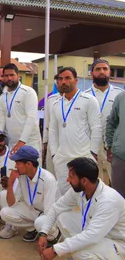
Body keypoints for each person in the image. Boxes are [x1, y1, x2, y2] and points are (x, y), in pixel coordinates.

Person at [37, 157, 125, 260]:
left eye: (71, 176)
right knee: (63, 216)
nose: (67, 180)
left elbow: (92, 236)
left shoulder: (109, 201)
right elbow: (56, 208)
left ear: (84, 180)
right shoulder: (79, 190)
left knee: (80, 253)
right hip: (98, 235)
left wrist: (55, 250)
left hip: (118, 244)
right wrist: (43, 233)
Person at [49, 67, 101, 195]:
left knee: (84, 195)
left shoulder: (88, 100)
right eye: (60, 79)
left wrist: (93, 153)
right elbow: (53, 131)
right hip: (62, 159)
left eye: (67, 78)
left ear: (76, 80)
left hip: (83, 156)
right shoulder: (56, 104)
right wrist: (54, 155)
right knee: (64, 194)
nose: (63, 82)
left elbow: (96, 127)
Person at [0, 146, 61, 242]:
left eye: (18, 163)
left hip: (49, 214)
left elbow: (49, 212)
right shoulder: (22, 176)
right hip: (34, 211)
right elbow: (11, 203)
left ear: (28, 164)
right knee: (4, 212)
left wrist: (43, 229)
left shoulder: (48, 179)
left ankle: (55, 234)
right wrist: (10, 183)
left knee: (40, 222)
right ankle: (33, 229)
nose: (15, 166)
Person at [85, 59, 123, 185]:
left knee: (116, 183)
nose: (102, 72)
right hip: (90, 146)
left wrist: (112, 144)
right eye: (98, 69)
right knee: (94, 183)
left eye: (105, 69)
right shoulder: (84, 96)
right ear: (92, 73)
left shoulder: (120, 94)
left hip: (113, 148)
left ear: (109, 72)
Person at [0, 63, 42, 157]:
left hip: (30, 143)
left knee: (31, 171)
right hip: (12, 144)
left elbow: (31, 118)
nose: (9, 78)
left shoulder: (28, 92)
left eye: (12, 75)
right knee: (14, 171)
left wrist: (22, 141)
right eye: (6, 76)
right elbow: (1, 121)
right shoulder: (2, 97)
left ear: (18, 76)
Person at [106, 85, 125, 197]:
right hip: (120, 156)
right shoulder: (121, 97)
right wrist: (110, 146)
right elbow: (111, 122)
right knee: (119, 198)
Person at [43, 74, 62, 174]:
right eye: (58, 81)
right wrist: (45, 142)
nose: (62, 83)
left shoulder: (81, 99)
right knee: (52, 171)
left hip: (71, 143)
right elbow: (47, 122)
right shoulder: (50, 100)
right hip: (52, 142)